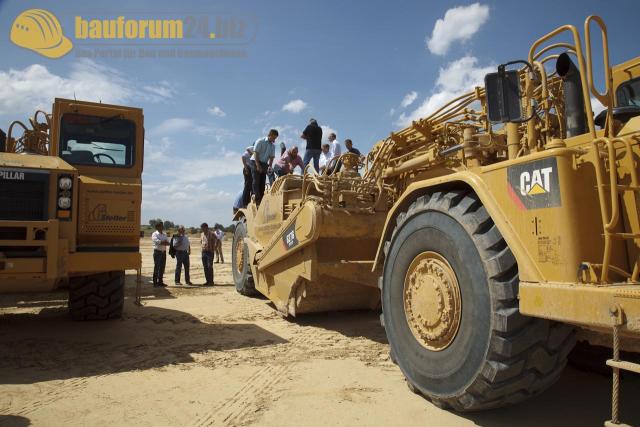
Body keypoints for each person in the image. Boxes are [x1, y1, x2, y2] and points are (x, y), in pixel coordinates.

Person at [250, 129, 278, 205]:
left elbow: (271, 157)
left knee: (263, 181)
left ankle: (262, 199)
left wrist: (270, 166)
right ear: (270, 135)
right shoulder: (260, 141)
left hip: (264, 163)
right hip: (255, 161)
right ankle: (257, 200)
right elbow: (255, 153)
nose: (274, 140)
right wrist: (258, 165)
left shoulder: (273, 146)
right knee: (256, 180)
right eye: (274, 138)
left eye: (275, 138)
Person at [151, 222, 170, 287]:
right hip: (157, 253)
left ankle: (160, 282)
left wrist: (163, 242)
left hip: (163, 253)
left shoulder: (164, 234)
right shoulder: (154, 234)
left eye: (162, 226)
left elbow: (168, 243)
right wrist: (163, 242)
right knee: (157, 267)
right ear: (157, 227)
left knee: (162, 268)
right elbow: (158, 242)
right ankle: (155, 282)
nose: (162, 227)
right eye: (161, 226)